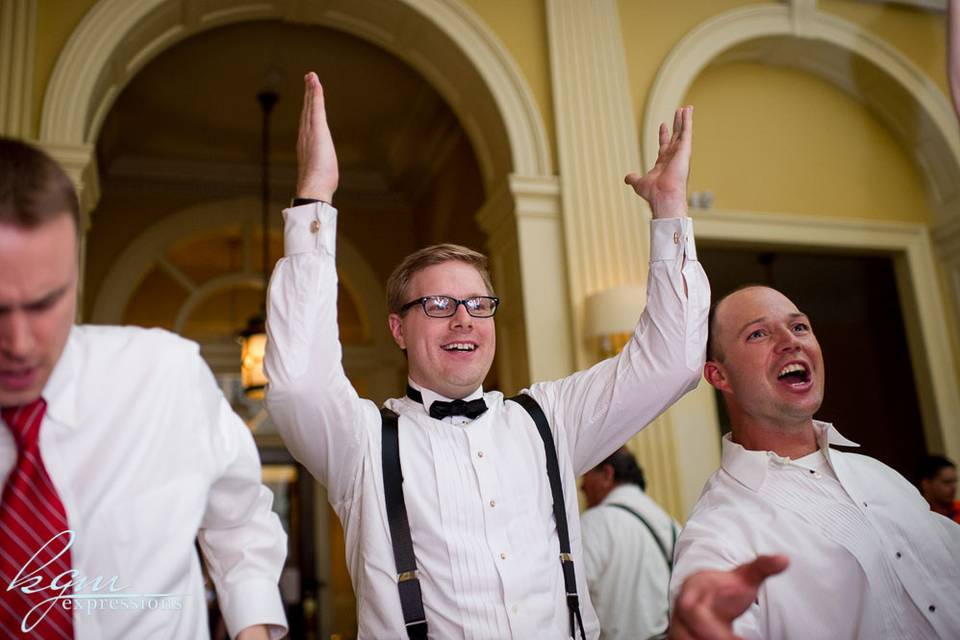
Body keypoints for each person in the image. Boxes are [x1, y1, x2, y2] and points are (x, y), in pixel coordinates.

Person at [264, 72, 709, 639]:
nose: (464, 319)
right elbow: (299, 381)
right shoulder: (360, 444)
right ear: (398, 330)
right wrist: (315, 196)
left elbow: (672, 360)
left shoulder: (551, 420)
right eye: (441, 303)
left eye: (478, 303)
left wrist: (670, 209)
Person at [0, 138, 288, 638]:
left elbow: (239, 519)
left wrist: (252, 627)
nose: (21, 344)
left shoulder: (166, 376)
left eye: (47, 302)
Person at [668, 285, 960, 640]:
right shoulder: (717, 532)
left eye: (800, 326)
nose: (791, 341)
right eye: (758, 333)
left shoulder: (883, 477)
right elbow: (706, 615)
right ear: (719, 376)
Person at [580, 447, 678, 640]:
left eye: (585, 475)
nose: (581, 487)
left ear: (607, 474)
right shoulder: (671, 524)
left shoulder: (592, 525)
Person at [917, 454, 960, 523]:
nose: (954, 487)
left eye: (955, 481)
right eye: (947, 482)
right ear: (926, 483)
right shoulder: (919, 516)